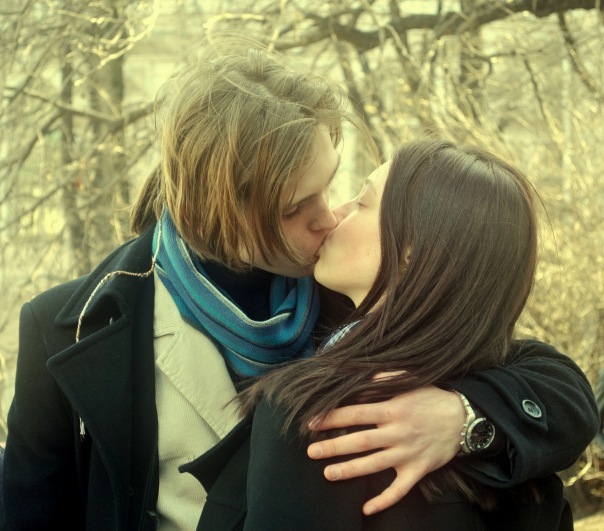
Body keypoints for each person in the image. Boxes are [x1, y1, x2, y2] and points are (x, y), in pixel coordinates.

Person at [1, 39, 598, 530]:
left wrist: (464, 417)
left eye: (331, 185)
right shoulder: (71, 328)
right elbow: (30, 513)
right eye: (294, 207)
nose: (328, 216)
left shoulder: (362, 290)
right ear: (216, 216)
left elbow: (554, 386)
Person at [187, 139, 585, 530]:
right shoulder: (515, 424)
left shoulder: (315, 414)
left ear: (411, 252)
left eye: (362, 202)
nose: (335, 215)